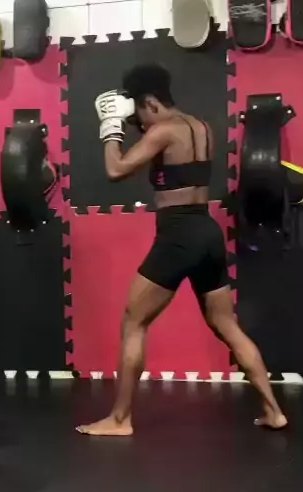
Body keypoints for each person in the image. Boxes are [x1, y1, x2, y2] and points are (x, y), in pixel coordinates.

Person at [76, 64, 288, 436]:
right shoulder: (201, 127)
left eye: (139, 112)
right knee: (226, 325)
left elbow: (116, 169)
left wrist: (110, 128)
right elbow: (174, 165)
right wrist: (134, 123)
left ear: (149, 102)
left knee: (134, 321)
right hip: (207, 232)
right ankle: (274, 411)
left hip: (178, 235)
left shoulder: (162, 132)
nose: (140, 121)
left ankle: (120, 419)